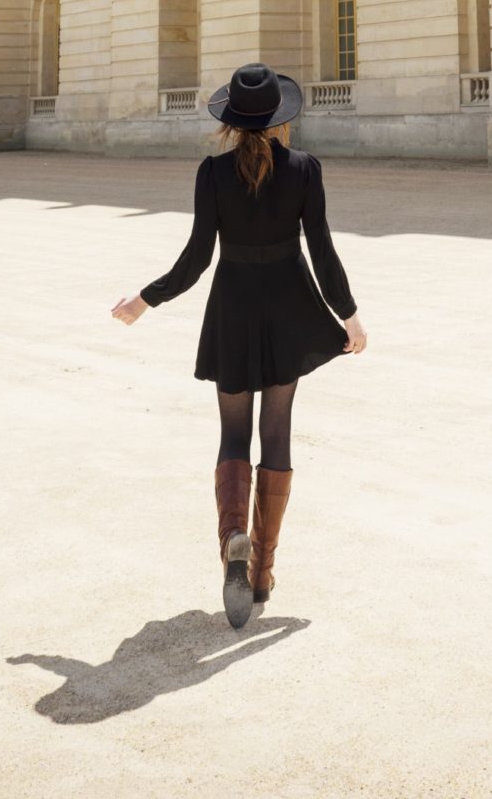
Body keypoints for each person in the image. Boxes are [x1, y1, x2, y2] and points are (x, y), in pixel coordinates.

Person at [111, 64, 367, 628]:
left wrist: (144, 300)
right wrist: (348, 315)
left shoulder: (213, 174)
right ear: (281, 120)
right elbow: (322, 252)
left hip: (232, 308)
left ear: (230, 122)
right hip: (289, 310)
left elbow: (197, 258)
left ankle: (233, 536)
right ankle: (263, 573)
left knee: (233, 433)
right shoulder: (304, 170)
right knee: (276, 435)